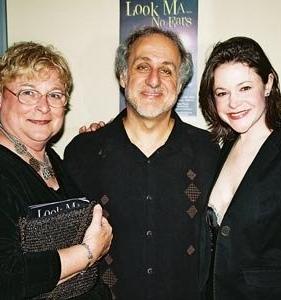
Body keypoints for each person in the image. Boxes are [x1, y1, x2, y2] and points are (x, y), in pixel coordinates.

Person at [64, 26, 219, 300]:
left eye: (167, 70)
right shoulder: (82, 153)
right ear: (123, 76)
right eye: (142, 66)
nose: (154, 80)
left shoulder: (209, 152)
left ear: (180, 83)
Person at [0, 41, 113, 299]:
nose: (43, 106)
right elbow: (7, 277)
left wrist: (97, 142)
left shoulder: (54, 159)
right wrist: (88, 252)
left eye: (55, 94)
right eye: (28, 92)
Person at [199, 36, 281, 300]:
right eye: (222, 93)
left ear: (268, 84)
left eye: (244, 88)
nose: (233, 103)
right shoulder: (223, 147)